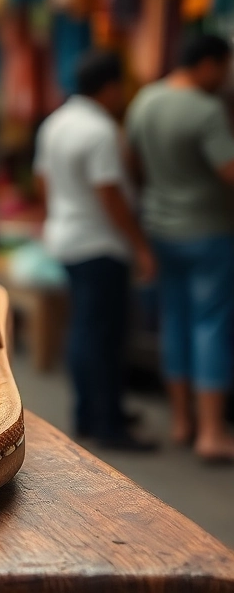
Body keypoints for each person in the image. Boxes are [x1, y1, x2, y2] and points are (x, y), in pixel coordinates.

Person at [35, 51, 155, 451]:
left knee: (85, 328)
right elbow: (110, 193)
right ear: (111, 87)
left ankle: (91, 413)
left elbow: (42, 179)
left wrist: (57, 216)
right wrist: (140, 244)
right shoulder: (100, 130)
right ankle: (107, 423)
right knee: (103, 335)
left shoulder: (56, 122)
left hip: (68, 237)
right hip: (100, 243)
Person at [125, 34, 234, 462]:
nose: (225, 78)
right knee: (211, 324)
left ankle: (181, 422)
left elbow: (131, 161)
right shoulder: (207, 110)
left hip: (160, 228)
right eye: (224, 68)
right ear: (207, 64)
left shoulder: (145, 101)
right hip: (208, 231)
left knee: (175, 321)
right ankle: (212, 433)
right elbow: (229, 171)